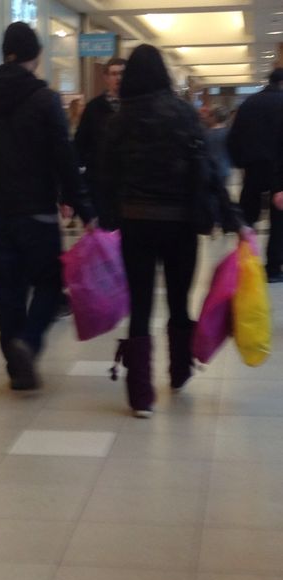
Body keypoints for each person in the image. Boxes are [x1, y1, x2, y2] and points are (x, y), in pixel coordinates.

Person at [101, 44, 243, 418]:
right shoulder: (183, 114)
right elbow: (209, 169)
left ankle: (141, 396)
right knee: (179, 302)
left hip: (135, 224)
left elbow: (105, 176)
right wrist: (233, 219)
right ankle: (178, 373)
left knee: (141, 306)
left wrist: (104, 217)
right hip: (180, 224)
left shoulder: (119, 120)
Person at [0, 21, 95, 390]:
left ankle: (15, 367)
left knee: (7, 289)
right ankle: (29, 342)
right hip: (37, 212)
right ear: (35, 56)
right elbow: (63, 157)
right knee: (49, 283)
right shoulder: (44, 99)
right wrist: (82, 205)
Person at [227, 68, 283, 282]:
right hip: (279, 168)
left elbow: (233, 138)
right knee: (279, 220)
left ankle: (244, 262)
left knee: (248, 215)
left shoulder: (249, 104)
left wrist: (240, 163)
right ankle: (274, 267)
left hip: (253, 167)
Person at [75, 57, 126, 229]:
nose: (118, 78)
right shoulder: (94, 108)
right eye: (114, 74)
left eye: (122, 74)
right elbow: (81, 145)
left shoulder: (135, 105)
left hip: (128, 186)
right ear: (106, 77)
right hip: (101, 184)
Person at [206, 105, 231, 187]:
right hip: (225, 168)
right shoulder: (229, 133)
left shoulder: (206, 134)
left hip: (209, 169)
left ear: (214, 117)